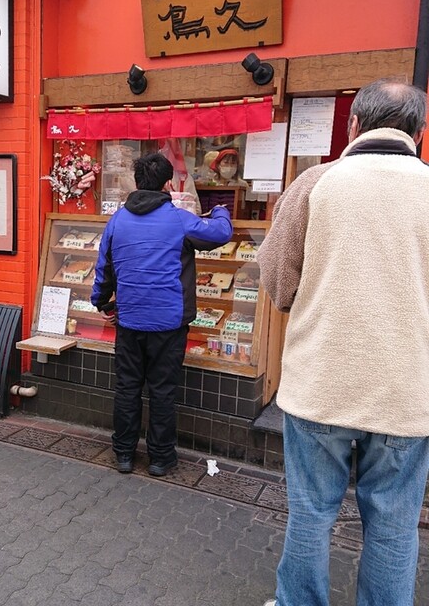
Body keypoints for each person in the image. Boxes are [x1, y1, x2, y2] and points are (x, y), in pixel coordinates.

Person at [257, 78, 429, 606]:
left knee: (311, 513)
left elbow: (278, 283)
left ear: (353, 125)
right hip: (407, 391)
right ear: (420, 133)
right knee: (395, 526)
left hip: (321, 383)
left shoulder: (316, 183)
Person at [91, 152, 233, 476]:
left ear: (136, 182)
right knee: (162, 391)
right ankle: (160, 458)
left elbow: (104, 268)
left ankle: (124, 454)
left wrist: (102, 302)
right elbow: (220, 234)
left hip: (129, 321)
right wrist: (221, 211)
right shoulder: (179, 219)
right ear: (169, 184)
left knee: (127, 388)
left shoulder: (117, 221)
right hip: (169, 323)